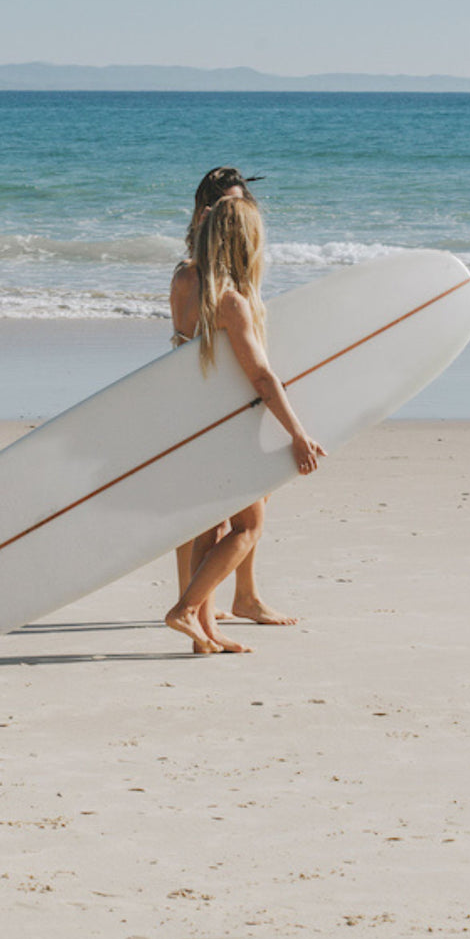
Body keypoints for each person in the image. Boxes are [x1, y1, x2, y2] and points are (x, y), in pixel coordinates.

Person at [165, 195, 325, 654]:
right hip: (228, 428)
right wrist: (298, 434)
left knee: (211, 528)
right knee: (248, 526)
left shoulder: (186, 285)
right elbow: (260, 376)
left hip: (196, 421)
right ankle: (185, 609)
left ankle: (206, 634)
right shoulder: (231, 302)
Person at [170, 168, 293, 634]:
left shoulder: (190, 278)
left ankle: (221, 604)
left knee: (224, 517)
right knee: (232, 522)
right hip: (222, 415)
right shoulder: (223, 293)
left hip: (207, 410)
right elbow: (253, 370)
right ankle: (194, 603)